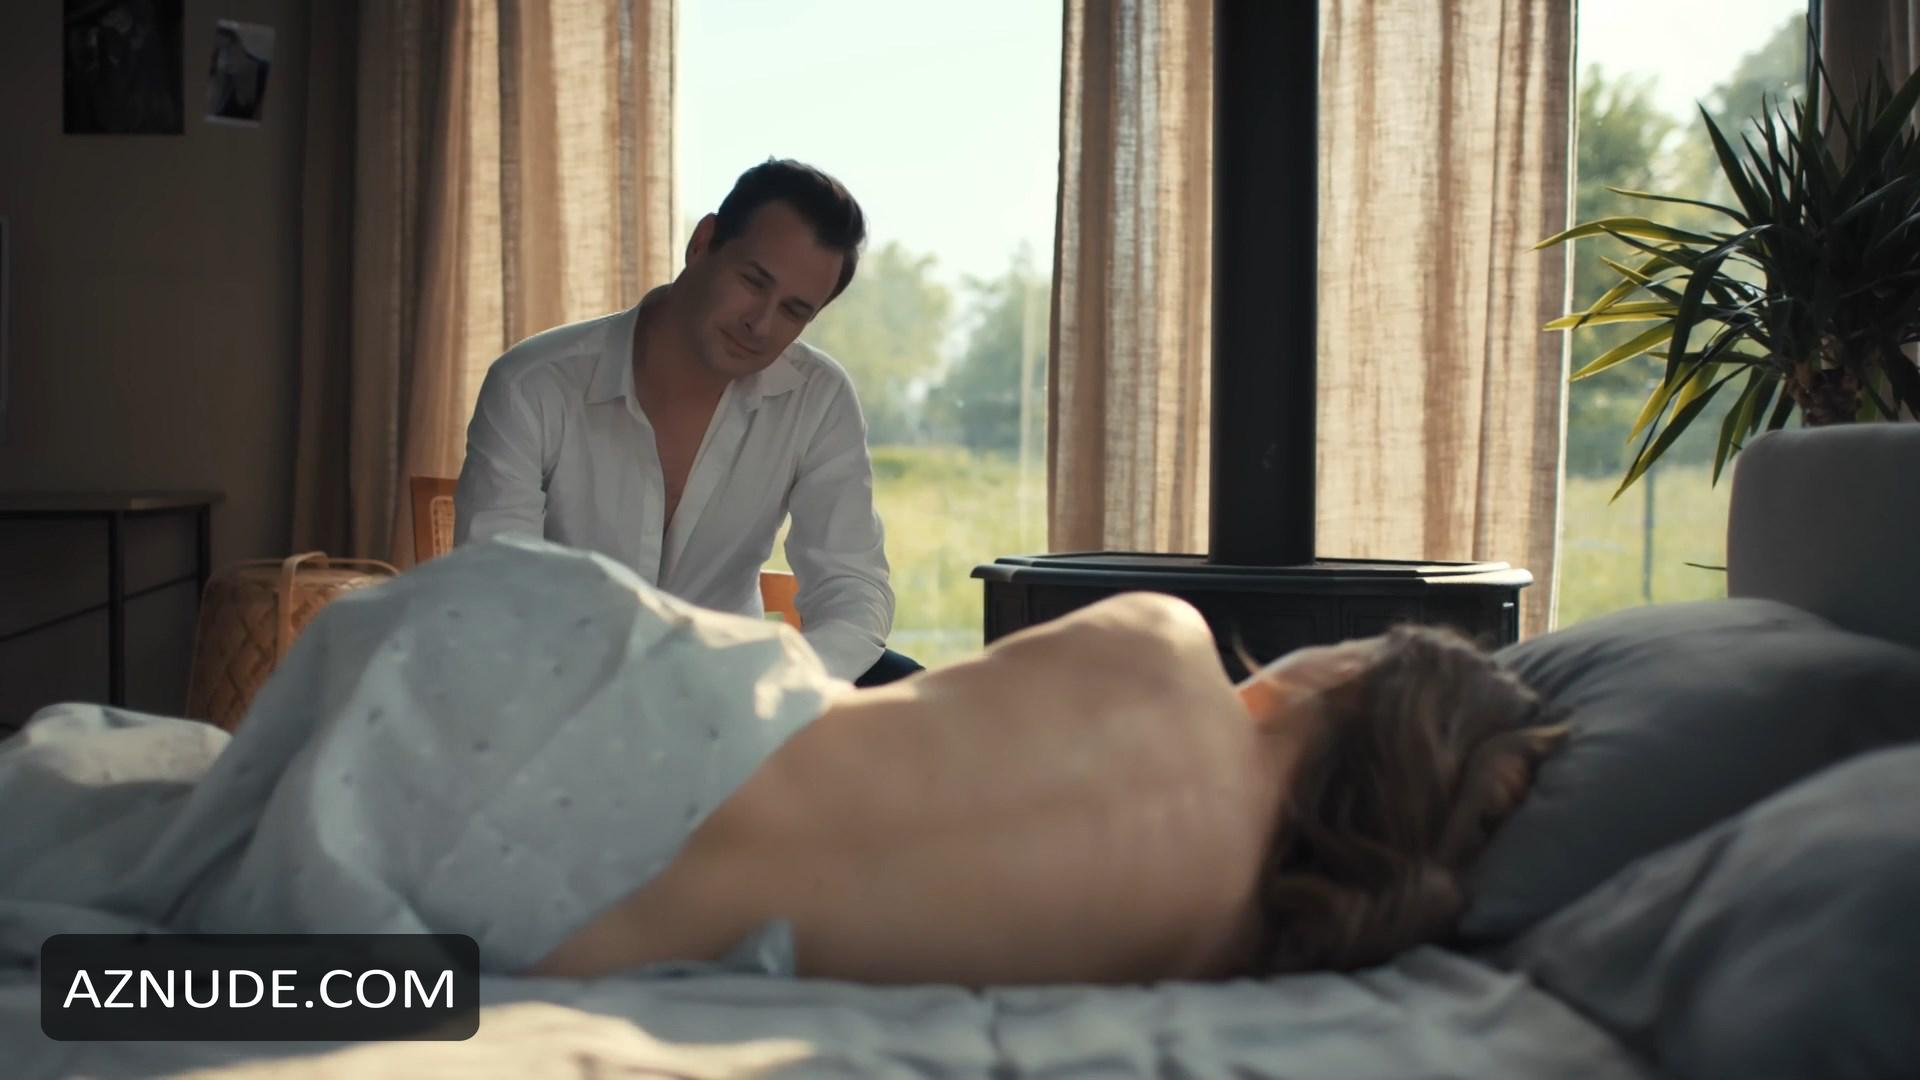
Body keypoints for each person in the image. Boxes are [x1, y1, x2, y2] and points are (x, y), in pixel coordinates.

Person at [519, 559, 1568, 986]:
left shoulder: (1159, 636)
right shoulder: (1228, 944)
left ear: (1346, 676)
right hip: (571, 938)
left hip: (602, 699)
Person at [455, 158, 919, 686]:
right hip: (563, 688)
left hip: (729, 694)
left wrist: (779, 691)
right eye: (753, 281)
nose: (760, 323)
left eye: (793, 311)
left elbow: (853, 587)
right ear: (702, 243)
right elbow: (496, 588)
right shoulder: (534, 383)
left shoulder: (818, 398)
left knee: (903, 684)